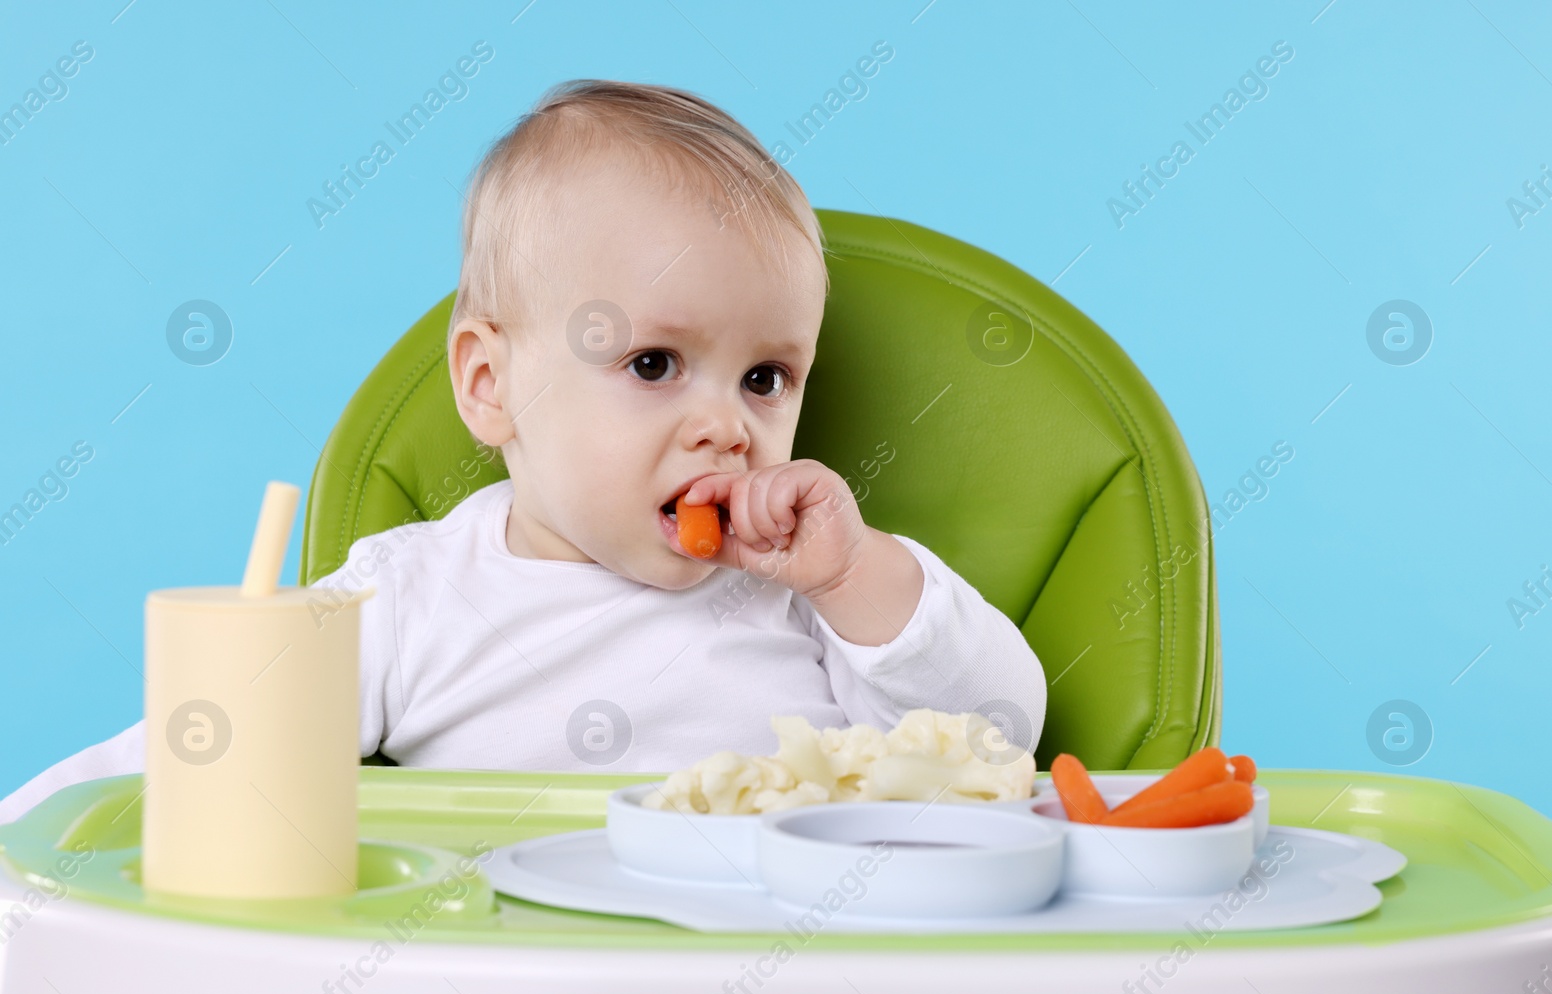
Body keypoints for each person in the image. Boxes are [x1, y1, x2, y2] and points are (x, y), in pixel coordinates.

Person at [0, 80, 1045, 822]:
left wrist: (859, 577)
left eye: (764, 378)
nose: (728, 425)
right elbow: (199, 751)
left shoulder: (807, 595)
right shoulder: (409, 600)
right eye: (652, 363)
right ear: (490, 385)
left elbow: (995, 733)